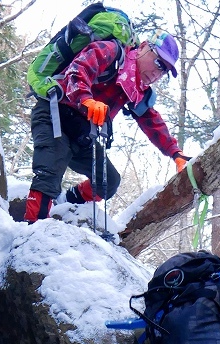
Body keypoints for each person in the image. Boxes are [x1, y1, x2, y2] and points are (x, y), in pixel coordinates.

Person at [24, 31, 188, 223]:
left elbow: (151, 120)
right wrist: (86, 99)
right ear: (143, 47)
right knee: (49, 170)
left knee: (108, 182)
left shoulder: (136, 89)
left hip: (82, 133)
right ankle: (33, 231)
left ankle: (65, 202)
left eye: (165, 71)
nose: (157, 73)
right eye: (159, 63)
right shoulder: (111, 51)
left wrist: (175, 153)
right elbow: (78, 70)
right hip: (56, 112)